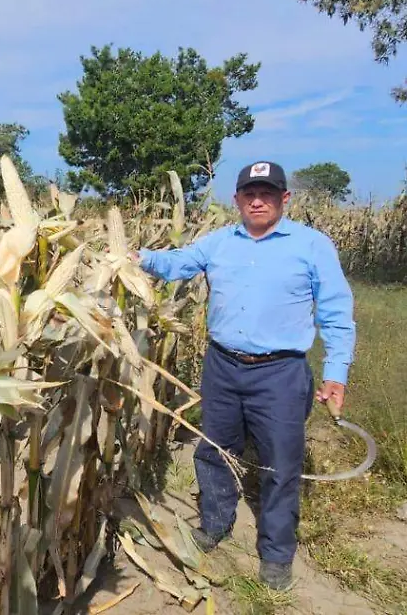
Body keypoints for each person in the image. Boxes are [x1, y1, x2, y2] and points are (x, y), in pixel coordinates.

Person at [126, 161, 356, 591]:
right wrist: (138, 258)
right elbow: (178, 263)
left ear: (284, 199)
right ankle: (214, 525)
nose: (257, 200)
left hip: (281, 372)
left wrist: (336, 373)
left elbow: (337, 314)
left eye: (267, 193)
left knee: (281, 464)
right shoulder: (219, 242)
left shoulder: (311, 246)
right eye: (249, 193)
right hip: (223, 365)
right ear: (236, 199)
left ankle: (275, 553)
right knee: (215, 450)